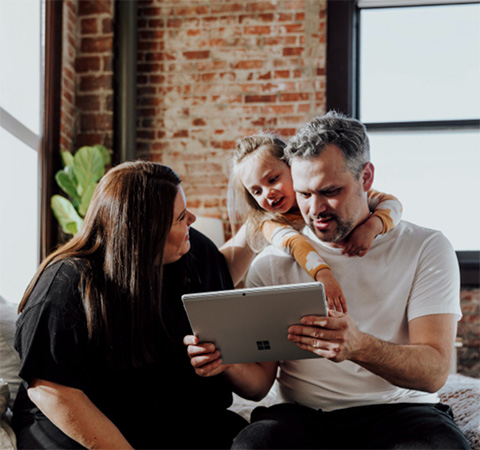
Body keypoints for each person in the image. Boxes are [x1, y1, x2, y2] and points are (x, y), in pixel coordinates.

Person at [187, 112, 470, 449]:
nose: (316, 209)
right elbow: (260, 386)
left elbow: (434, 372)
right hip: (302, 415)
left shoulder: (426, 247)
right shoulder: (272, 262)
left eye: (330, 191)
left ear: (366, 177)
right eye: (304, 194)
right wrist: (224, 361)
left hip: (403, 411)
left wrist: (359, 346)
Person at [11, 161, 271, 449]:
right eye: (181, 216)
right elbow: (50, 390)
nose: (193, 219)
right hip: (81, 421)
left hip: (163, 418)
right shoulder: (66, 283)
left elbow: (222, 277)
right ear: (144, 233)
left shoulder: (193, 250)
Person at [226, 133, 402, 311]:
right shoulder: (271, 224)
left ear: (293, 168)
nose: (268, 193)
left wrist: (372, 227)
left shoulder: (334, 193)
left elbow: (391, 203)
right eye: (257, 192)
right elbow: (295, 243)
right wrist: (323, 276)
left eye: (273, 180)